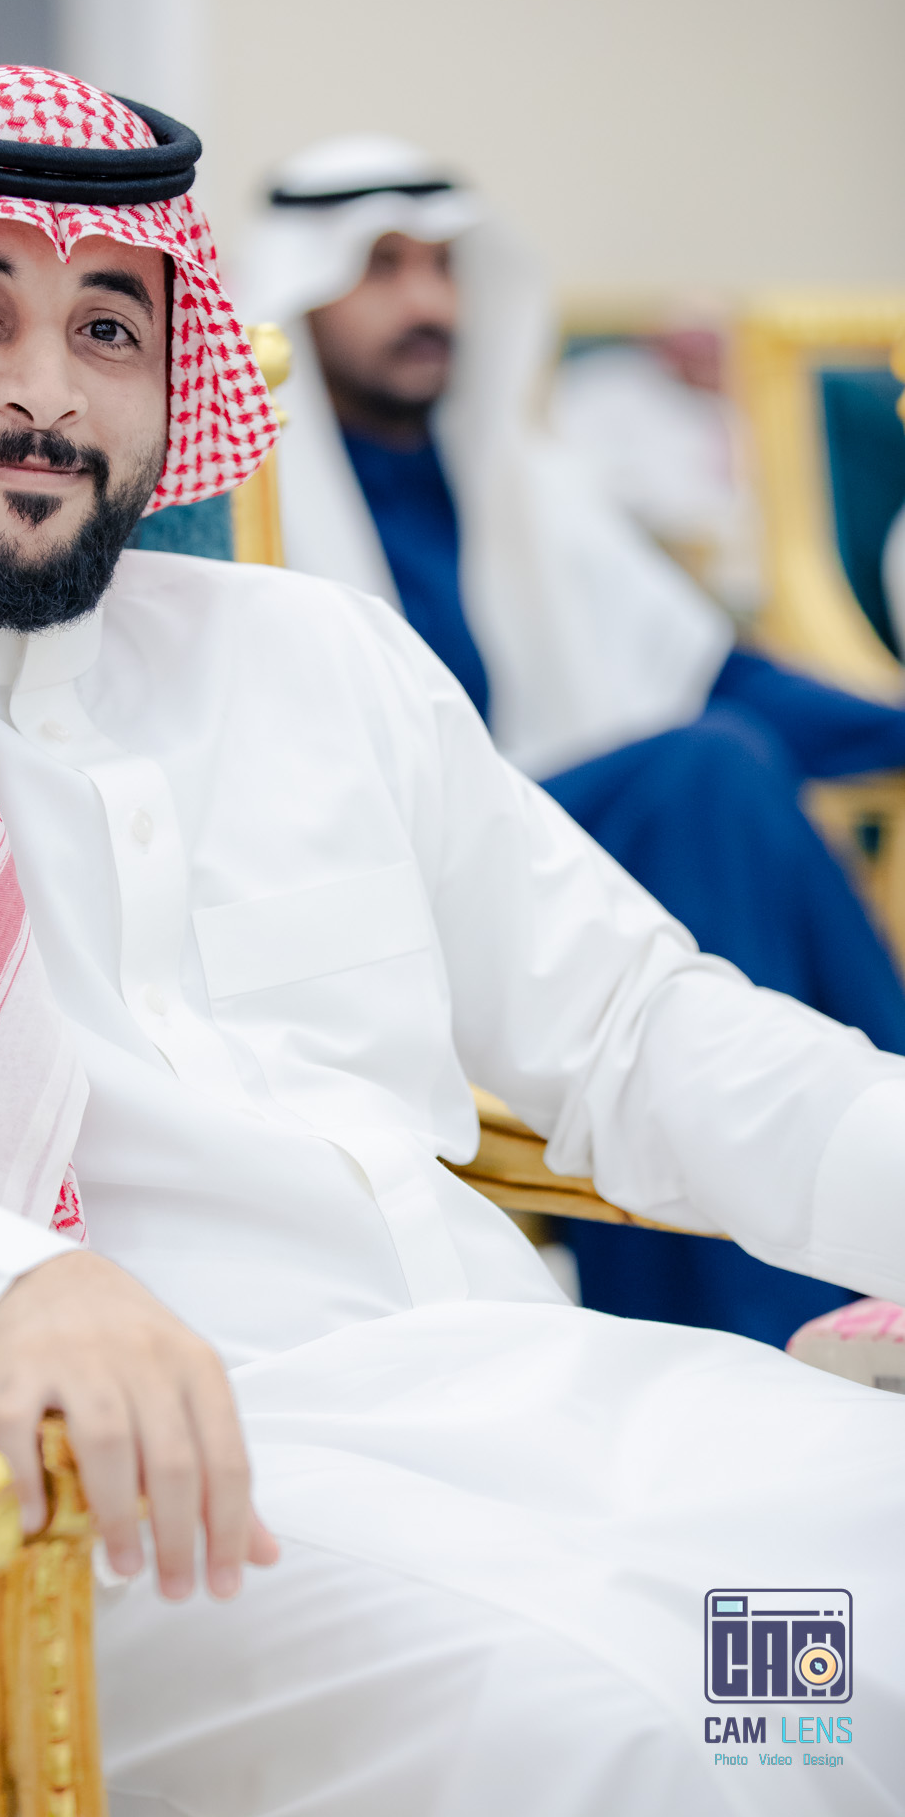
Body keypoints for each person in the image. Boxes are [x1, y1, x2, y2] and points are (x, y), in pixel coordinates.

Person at [0, 69, 904, 1817]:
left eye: (109, 328)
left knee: (834, 1661)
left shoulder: (313, 659)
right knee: (662, 1745)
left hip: (516, 1412)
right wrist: (4, 1280)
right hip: (58, 1514)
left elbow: (639, 1027)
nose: (46, 392)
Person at [240, 132, 905, 1347]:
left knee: (720, 767)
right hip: (380, 881)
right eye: (383, 266)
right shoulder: (251, 493)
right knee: (706, 771)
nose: (427, 303)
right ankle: (794, 1296)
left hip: (540, 843)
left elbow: (706, 666)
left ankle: (833, 1247)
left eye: (443, 265)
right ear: (302, 286)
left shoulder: (512, 472)